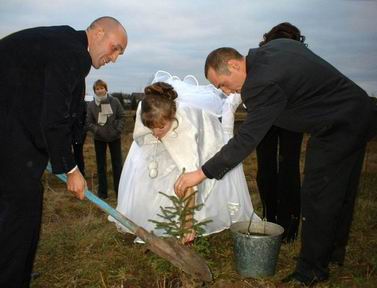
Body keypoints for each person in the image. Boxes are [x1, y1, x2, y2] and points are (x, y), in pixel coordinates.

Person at [175, 42, 377, 285]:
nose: (226, 91)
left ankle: (311, 270)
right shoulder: (274, 49)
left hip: (337, 127)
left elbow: (246, 139)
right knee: (341, 191)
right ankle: (333, 253)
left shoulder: (260, 83)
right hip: (357, 113)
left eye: (222, 83)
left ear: (233, 64)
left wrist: (201, 173)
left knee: (318, 196)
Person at [0, 17, 127, 287]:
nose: (114, 58)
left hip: (11, 129)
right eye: (115, 48)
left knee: (19, 210)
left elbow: (58, 109)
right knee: (21, 213)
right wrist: (70, 169)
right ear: (98, 32)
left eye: (119, 53)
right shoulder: (72, 53)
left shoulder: (60, 42)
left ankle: (15, 270)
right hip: (9, 139)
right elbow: (54, 116)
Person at [109, 73, 256, 243]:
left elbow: (189, 179)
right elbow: (143, 135)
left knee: (184, 176)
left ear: (172, 117)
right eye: (152, 127)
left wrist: (187, 223)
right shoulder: (146, 109)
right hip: (154, 135)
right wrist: (153, 141)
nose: (156, 132)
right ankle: (152, 218)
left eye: (161, 127)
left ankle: (184, 220)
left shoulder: (184, 128)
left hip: (198, 136)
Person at [255, 23, 305, 243]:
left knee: (266, 165)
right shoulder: (300, 55)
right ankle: (288, 227)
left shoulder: (264, 55)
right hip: (293, 112)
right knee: (288, 166)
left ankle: (270, 216)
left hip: (267, 112)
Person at [86, 79, 124, 199]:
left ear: (106, 89)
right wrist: (98, 131)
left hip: (115, 137)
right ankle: (103, 193)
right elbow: (88, 122)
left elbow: (121, 117)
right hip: (99, 138)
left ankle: (120, 191)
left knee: (117, 164)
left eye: (102, 88)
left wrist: (116, 130)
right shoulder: (91, 105)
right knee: (101, 165)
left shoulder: (115, 101)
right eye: (97, 88)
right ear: (95, 91)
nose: (100, 90)